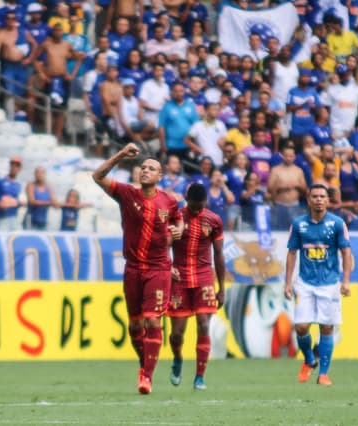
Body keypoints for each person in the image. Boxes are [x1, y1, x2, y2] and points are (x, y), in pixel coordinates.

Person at [92, 143, 183, 395]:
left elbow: (178, 219)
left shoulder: (169, 201)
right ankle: (144, 365)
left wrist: (179, 230)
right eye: (142, 167)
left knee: (153, 321)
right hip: (133, 269)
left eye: (151, 168)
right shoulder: (126, 194)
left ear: (160, 176)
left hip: (158, 269)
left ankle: (147, 376)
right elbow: (97, 176)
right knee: (135, 326)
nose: (145, 171)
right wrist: (121, 154)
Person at [285, 184, 352, 386]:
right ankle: (309, 359)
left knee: (326, 328)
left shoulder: (337, 223)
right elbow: (292, 253)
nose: (319, 200)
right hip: (305, 283)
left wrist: (346, 281)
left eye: (322, 196)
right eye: (315, 196)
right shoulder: (298, 224)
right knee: (301, 327)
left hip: (329, 284)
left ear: (328, 200)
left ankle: (323, 374)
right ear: (308, 199)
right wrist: (287, 283)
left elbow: (346, 252)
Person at [168, 182, 225, 391]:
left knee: (203, 324)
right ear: (186, 199)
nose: (197, 209)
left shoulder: (214, 220)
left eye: (200, 205)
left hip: (203, 278)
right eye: (193, 205)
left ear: (205, 201)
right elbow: (163, 245)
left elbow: (219, 255)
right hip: (179, 279)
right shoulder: (176, 217)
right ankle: (177, 359)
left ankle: (200, 376)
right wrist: (167, 267)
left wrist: (222, 289)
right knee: (177, 333)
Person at [34, 23, 83, 141]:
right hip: (50, 79)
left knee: (61, 109)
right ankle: (48, 132)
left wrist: (72, 74)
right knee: (48, 106)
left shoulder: (67, 45)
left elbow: (79, 57)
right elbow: (35, 58)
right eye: (56, 30)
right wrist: (41, 73)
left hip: (62, 79)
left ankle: (58, 135)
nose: (58, 33)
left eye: (60, 30)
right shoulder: (47, 43)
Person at [0, 157, 22, 232]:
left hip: (14, 217)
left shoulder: (18, 184)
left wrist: (19, 203)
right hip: (1, 218)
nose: (14, 168)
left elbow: (15, 199)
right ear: (9, 167)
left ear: (19, 169)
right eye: (12, 165)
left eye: (16, 166)